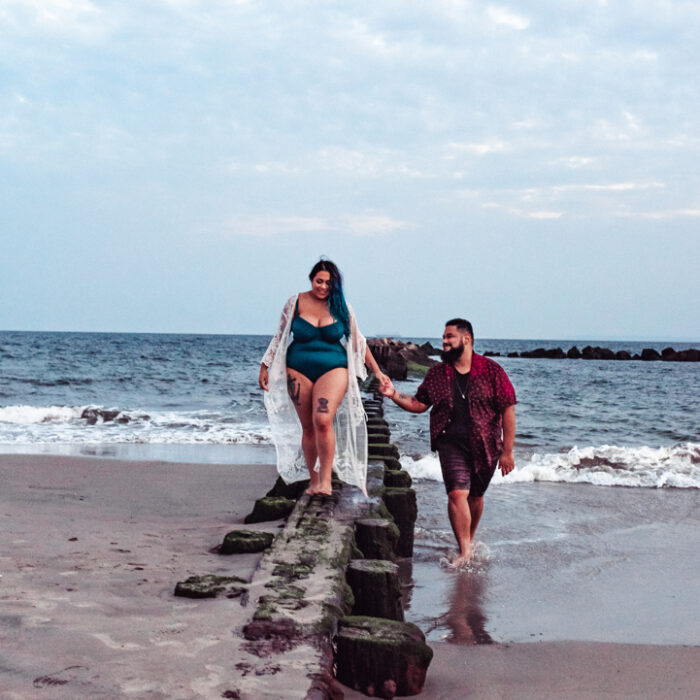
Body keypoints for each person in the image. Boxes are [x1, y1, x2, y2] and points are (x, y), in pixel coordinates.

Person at [380, 319, 516, 566]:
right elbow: (419, 403)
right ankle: (465, 551)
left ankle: (467, 539)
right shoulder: (437, 374)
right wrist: (393, 395)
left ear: (466, 339)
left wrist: (507, 451)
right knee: (456, 493)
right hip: (450, 443)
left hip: (486, 445)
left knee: (475, 496)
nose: (443, 342)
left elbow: (508, 409)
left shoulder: (492, 370)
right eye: (443, 337)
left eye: (449, 337)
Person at [259, 259, 389, 496]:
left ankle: (327, 480)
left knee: (322, 420)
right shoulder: (295, 302)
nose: (323, 287)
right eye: (319, 281)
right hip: (298, 369)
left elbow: (359, 342)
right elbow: (280, 336)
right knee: (308, 427)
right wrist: (265, 365)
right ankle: (314, 480)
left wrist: (378, 372)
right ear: (311, 279)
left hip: (334, 369)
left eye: (329, 283)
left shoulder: (341, 306)